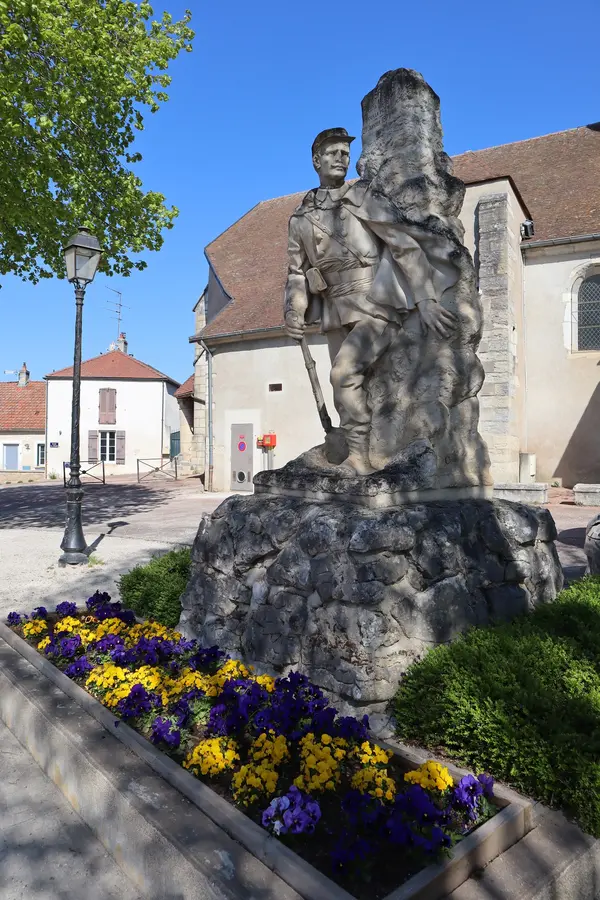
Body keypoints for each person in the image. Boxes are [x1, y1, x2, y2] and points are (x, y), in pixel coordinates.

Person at [284, 127, 458, 475]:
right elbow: (296, 272)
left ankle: (360, 460)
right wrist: (294, 307)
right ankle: (354, 452)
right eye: (332, 153)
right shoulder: (301, 218)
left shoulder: (364, 198)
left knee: (343, 373)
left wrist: (424, 299)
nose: (340, 158)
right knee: (345, 387)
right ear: (316, 160)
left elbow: (403, 244)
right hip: (334, 308)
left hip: (374, 302)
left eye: (345, 153)